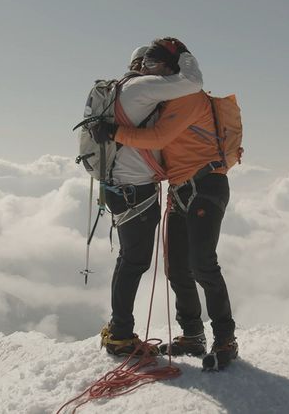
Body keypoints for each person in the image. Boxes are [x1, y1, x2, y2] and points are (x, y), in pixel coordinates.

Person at [92, 40, 239, 368]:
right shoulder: (165, 96)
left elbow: (159, 139)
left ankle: (226, 339)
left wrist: (113, 132)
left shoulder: (187, 97)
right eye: (145, 61)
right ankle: (192, 336)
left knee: (203, 264)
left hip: (206, 184)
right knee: (176, 269)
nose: (147, 66)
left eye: (154, 61)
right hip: (180, 189)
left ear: (172, 65)